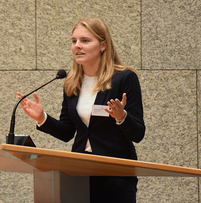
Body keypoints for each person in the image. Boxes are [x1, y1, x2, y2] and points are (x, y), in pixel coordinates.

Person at [17, 17, 145, 202]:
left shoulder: (124, 78)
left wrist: (121, 117)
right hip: (78, 173)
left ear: (103, 45)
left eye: (85, 40)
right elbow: (68, 132)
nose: (77, 46)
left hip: (115, 175)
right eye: (74, 41)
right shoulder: (72, 83)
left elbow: (138, 133)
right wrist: (42, 118)